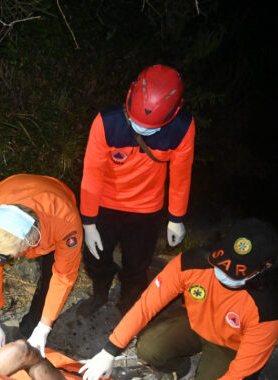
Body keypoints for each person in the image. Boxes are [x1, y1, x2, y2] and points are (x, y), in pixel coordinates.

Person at [78, 219, 278, 380]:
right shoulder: (191, 262)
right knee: (149, 348)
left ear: (264, 267)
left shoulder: (267, 307)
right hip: (194, 322)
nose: (222, 274)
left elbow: (243, 375)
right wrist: (109, 350)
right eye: (220, 265)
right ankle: (179, 368)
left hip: (230, 345)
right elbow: (146, 305)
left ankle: (205, 379)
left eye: (235, 272)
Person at [77, 64, 195, 318]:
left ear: (175, 112)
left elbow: (181, 175)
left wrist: (176, 218)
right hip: (105, 205)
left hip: (146, 209)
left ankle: (128, 302)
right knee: (95, 257)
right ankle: (99, 292)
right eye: (138, 124)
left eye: (150, 128)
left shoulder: (182, 128)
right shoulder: (107, 122)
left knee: (137, 265)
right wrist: (88, 222)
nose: (142, 130)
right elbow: (92, 174)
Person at [0, 174, 82, 357]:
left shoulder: (66, 224)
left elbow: (64, 277)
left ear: (32, 243)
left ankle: (32, 330)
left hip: (55, 206)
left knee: (50, 277)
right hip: (10, 191)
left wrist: (44, 327)